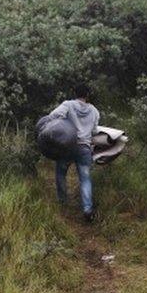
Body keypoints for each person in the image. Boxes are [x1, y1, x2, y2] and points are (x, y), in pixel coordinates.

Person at [51, 83, 100, 222]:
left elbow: (53, 116)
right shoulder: (94, 111)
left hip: (67, 146)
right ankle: (87, 209)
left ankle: (63, 203)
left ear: (75, 93)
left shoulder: (68, 105)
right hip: (84, 148)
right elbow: (95, 131)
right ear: (87, 95)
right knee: (85, 179)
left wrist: (64, 125)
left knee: (60, 173)